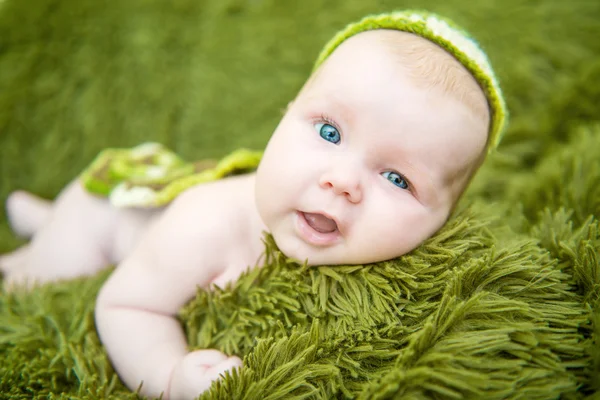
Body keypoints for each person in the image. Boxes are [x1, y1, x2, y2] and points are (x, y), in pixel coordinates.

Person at [0, 10, 507, 400]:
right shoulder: (203, 225)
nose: (343, 181)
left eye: (398, 178)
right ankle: (42, 232)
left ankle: (39, 217)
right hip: (102, 214)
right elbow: (124, 303)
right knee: (45, 270)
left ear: (445, 217)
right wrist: (169, 374)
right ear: (285, 115)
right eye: (329, 132)